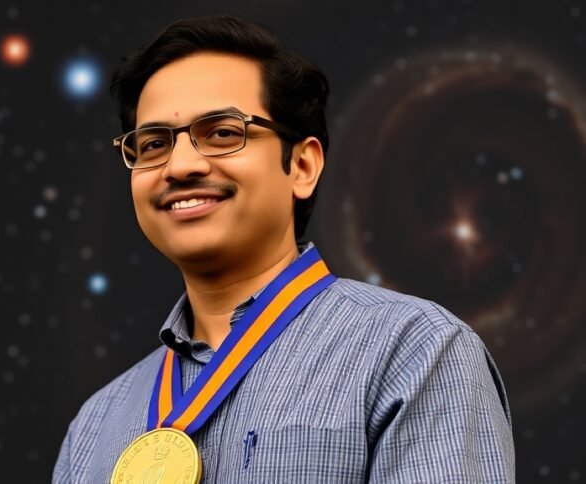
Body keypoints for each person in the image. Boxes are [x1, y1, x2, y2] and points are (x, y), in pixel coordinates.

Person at [53, 15, 514, 483]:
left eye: (223, 133)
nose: (181, 165)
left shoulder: (414, 351)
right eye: (153, 144)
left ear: (302, 165)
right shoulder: (95, 425)